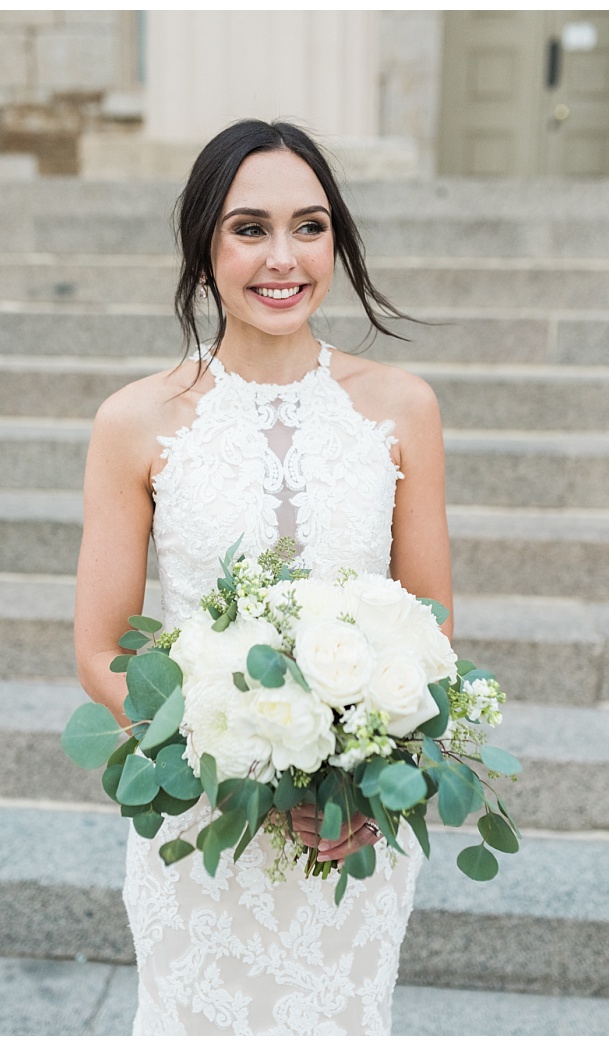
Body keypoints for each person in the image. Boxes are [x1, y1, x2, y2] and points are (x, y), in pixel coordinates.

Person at [73, 119, 451, 1034]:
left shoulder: (403, 407)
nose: (283, 257)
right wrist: (232, 759)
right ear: (204, 248)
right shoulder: (136, 421)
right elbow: (100, 648)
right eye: (250, 229)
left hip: (351, 826)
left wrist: (367, 780)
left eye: (309, 226)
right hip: (204, 822)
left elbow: (430, 627)